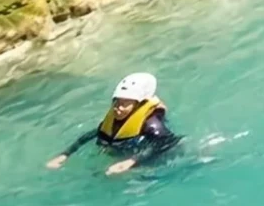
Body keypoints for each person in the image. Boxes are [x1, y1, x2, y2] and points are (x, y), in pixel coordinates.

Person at [48, 72, 179, 176]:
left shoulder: (151, 124)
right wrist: (65, 155)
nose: (118, 108)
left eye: (125, 104)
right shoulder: (115, 118)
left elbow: (167, 142)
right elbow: (93, 134)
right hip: (123, 153)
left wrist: (131, 162)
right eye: (117, 102)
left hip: (150, 159)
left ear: (138, 104)